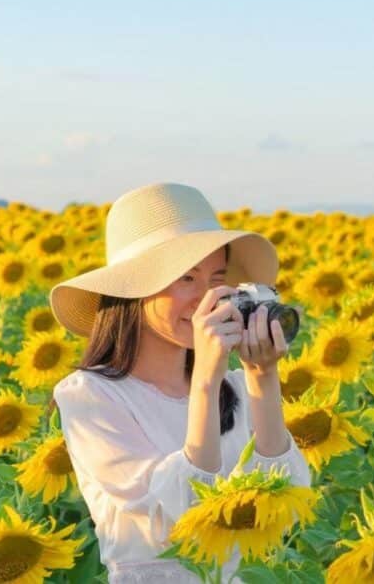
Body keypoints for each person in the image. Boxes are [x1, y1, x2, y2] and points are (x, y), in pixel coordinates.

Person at [48, 182, 312, 584]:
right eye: (186, 278)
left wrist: (263, 377)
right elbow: (180, 517)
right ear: (134, 291)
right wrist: (206, 379)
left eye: (216, 279)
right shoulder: (91, 396)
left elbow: (285, 502)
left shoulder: (236, 387)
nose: (207, 299)